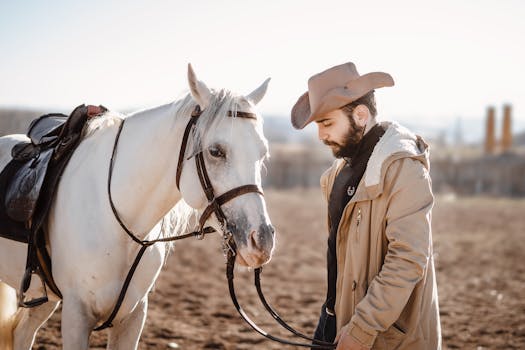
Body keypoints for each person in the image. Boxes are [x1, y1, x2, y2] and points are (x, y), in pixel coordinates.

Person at [291, 62, 441, 350]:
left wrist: (362, 329)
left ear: (360, 115)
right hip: (333, 321)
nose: (321, 136)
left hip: (385, 335)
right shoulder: (338, 173)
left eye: (326, 123)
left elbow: (407, 260)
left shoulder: (404, 168)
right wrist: (333, 320)